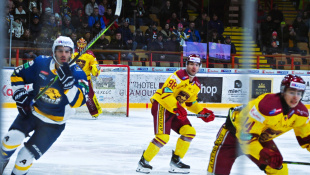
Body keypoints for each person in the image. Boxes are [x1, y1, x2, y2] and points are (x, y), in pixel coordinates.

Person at [0, 36, 89, 175]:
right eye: (60, 50)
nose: (63, 54)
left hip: (54, 123)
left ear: (72, 53)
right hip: (32, 111)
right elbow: (18, 73)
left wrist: (69, 87)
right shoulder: (41, 62)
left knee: (24, 157)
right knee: (11, 139)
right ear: (54, 51)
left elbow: (80, 101)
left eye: (67, 51)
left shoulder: (78, 74)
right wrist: (20, 95)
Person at [207, 74, 310, 175]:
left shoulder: (301, 114)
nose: (296, 97)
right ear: (283, 91)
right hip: (233, 136)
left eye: (299, 93)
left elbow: (307, 139)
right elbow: (245, 136)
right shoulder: (267, 106)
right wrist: (261, 152)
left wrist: (264, 153)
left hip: (260, 139)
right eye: (292, 92)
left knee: (279, 170)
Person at [136, 54, 215, 174]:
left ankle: (176, 161)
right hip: (161, 106)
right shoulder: (178, 76)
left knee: (189, 131)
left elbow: (190, 103)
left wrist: (202, 112)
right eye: (191, 64)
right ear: (186, 65)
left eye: (197, 65)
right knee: (163, 137)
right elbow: (166, 93)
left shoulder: (196, 85)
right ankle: (143, 162)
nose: (194, 67)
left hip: (175, 110)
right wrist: (177, 107)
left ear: (200, 67)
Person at [74, 37, 102, 118]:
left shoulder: (90, 54)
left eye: (83, 44)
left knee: (89, 96)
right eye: (80, 43)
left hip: (84, 79)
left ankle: (95, 112)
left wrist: (95, 68)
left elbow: (95, 63)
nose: (81, 45)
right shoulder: (72, 52)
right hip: (73, 78)